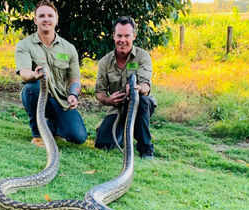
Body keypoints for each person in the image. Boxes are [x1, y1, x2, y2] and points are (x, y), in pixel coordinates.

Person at [15, 0, 87, 147]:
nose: (46, 19)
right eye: (41, 16)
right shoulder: (25, 45)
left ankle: (52, 127)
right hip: (39, 93)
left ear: (56, 19)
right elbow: (24, 73)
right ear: (35, 20)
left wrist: (73, 94)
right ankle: (38, 134)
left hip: (60, 100)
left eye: (50, 15)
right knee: (32, 88)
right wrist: (34, 75)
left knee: (78, 137)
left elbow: (75, 79)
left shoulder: (69, 48)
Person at [94, 16, 157, 159]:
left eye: (127, 35)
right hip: (116, 109)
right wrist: (109, 100)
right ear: (113, 36)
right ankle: (119, 131)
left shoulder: (142, 57)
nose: (122, 40)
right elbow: (99, 92)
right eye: (119, 35)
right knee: (103, 145)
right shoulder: (105, 62)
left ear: (134, 36)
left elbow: (146, 86)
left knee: (143, 101)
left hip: (139, 105)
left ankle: (146, 149)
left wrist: (137, 89)